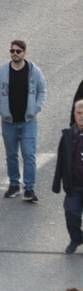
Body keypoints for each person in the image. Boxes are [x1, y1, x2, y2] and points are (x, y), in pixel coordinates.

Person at [0, 40, 47, 203]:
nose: (14, 53)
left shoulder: (34, 71)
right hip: (9, 122)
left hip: (28, 121)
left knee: (29, 154)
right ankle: (14, 184)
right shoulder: (1, 72)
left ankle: (29, 188)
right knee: (11, 155)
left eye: (18, 51)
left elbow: (42, 90)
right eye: (12, 51)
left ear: (24, 53)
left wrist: (36, 108)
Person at [55, 100, 83, 253]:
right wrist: (57, 182)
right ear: (74, 114)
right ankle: (76, 238)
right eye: (79, 113)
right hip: (74, 185)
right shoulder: (68, 135)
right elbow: (61, 160)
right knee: (71, 213)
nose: (81, 116)